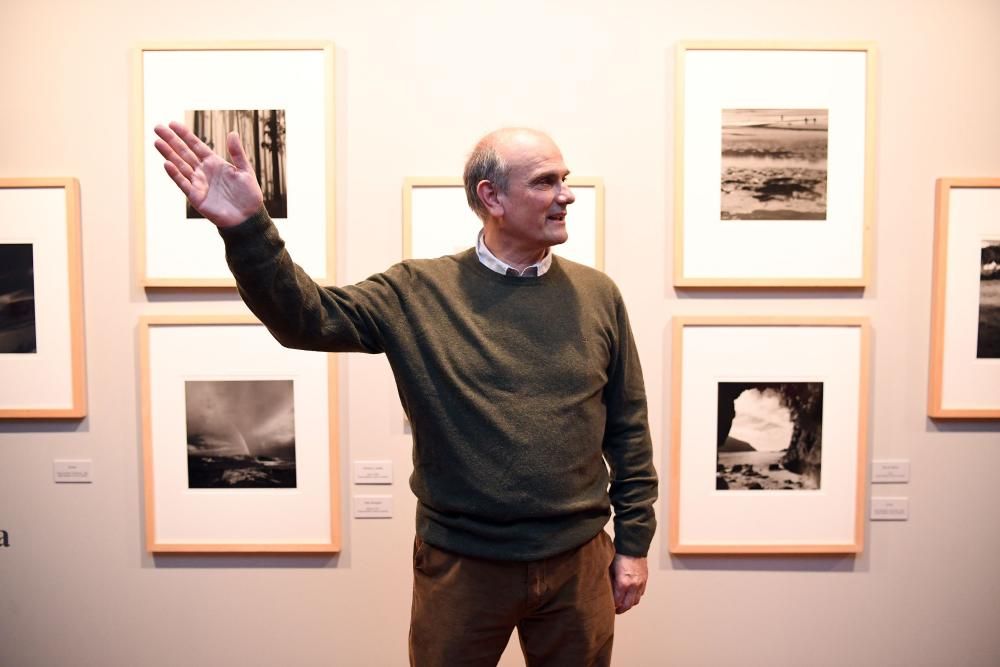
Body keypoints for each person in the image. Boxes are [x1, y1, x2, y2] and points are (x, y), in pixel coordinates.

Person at [153, 122, 658, 667]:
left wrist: (633, 543)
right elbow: (306, 319)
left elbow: (628, 427)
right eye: (545, 182)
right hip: (462, 564)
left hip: (578, 560)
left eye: (564, 178)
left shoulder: (598, 295)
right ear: (492, 197)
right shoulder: (415, 292)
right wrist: (248, 229)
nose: (566, 194)